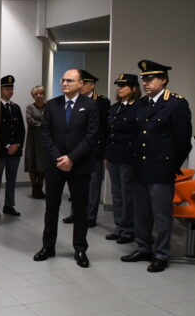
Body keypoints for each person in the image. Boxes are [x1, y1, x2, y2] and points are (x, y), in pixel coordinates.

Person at [121, 60, 192, 272]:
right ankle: (144, 248)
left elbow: (182, 142)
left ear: (164, 80)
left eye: (150, 78)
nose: (146, 82)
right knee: (141, 212)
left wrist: (170, 166)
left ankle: (161, 254)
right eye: (144, 78)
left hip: (161, 169)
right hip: (140, 168)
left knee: (161, 215)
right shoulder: (142, 104)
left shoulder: (176, 104)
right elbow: (136, 135)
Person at [33, 68, 98, 268]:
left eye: (70, 80)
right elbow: (45, 135)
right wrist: (59, 158)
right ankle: (48, 246)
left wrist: (72, 158)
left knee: (79, 209)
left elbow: (92, 135)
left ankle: (80, 249)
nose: (65, 83)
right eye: (63, 80)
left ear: (81, 84)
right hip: (55, 165)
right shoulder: (52, 105)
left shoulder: (91, 105)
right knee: (51, 208)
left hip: (79, 166)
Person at [63, 70, 110, 226]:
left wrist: (104, 152)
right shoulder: (76, 100)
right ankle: (74, 213)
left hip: (94, 150)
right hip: (77, 150)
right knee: (75, 184)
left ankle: (90, 216)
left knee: (93, 185)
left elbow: (104, 129)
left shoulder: (102, 102)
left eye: (84, 83)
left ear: (92, 85)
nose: (81, 86)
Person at [104, 74, 141, 245]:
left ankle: (129, 229)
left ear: (134, 89)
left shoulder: (139, 108)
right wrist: (106, 155)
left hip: (128, 158)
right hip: (113, 157)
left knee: (128, 195)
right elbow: (108, 134)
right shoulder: (114, 107)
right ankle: (119, 227)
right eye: (118, 85)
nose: (119, 88)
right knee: (117, 194)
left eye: (124, 85)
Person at [0, 75, 25, 218]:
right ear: (0, 89)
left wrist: (17, 145)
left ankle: (9, 205)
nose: (10, 91)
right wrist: (7, 145)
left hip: (15, 151)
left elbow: (21, 129)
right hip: (1, 151)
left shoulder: (16, 107)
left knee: (11, 179)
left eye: (11, 88)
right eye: (7, 88)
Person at [25, 85, 47, 199]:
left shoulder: (48, 107)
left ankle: (40, 187)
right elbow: (30, 122)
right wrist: (42, 123)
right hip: (32, 140)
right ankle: (35, 189)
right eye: (36, 94)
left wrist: (40, 123)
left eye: (41, 93)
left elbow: (50, 122)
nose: (39, 96)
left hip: (44, 139)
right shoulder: (30, 107)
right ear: (33, 96)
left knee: (43, 165)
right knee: (32, 164)